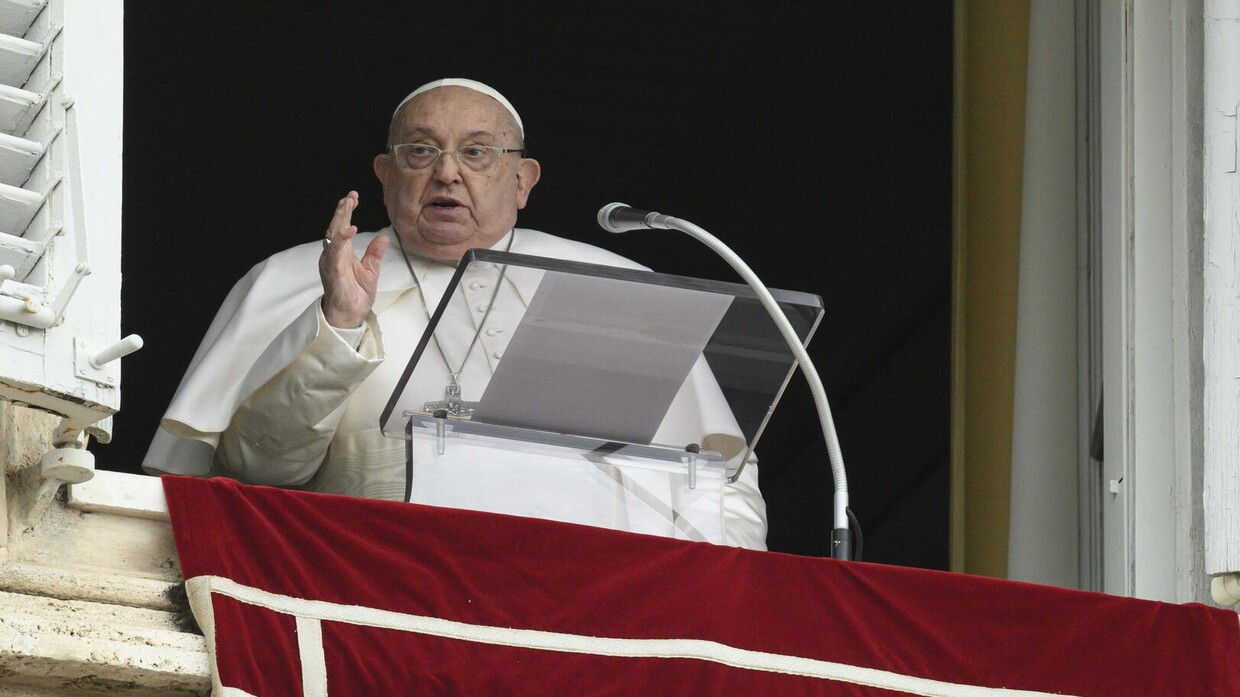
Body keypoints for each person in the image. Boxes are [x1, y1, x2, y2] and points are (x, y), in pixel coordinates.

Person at [143, 78, 767, 548]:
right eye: (421, 151)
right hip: (376, 596)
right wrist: (339, 327)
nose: (446, 172)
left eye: (477, 153)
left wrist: (723, 604)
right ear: (386, 175)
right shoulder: (297, 277)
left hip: (587, 610)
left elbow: (719, 483)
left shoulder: (617, 287)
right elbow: (252, 476)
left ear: (522, 180)